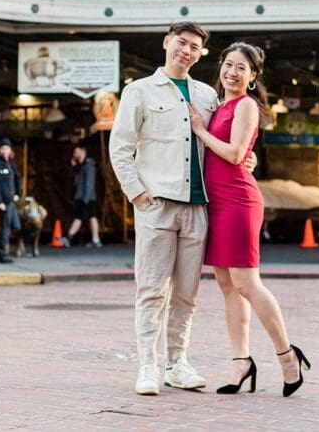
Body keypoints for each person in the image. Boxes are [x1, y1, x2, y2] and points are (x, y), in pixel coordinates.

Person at [111, 21, 259, 396]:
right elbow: (120, 148)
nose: (187, 51)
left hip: (198, 208)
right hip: (157, 205)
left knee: (187, 294)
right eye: (181, 43)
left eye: (194, 46)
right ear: (167, 43)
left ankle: (177, 363)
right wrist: (139, 196)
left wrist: (249, 157)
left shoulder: (208, 95)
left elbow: (225, 141)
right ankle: (148, 364)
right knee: (151, 289)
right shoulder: (139, 91)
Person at [188, 42, 310, 398]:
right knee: (227, 285)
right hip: (218, 202)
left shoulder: (246, 105)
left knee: (247, 283)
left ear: (253, 76)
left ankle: (288, 357)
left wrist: (202, 132)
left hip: (239, 201)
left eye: (241, 68)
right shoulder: (219, 104)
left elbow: (235, 153)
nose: (232, 72)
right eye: (228, 65)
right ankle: (241, 362)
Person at [59, 145, 102, 248]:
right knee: (92, 217)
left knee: (79, 217)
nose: (74, 155)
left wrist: (86, 198)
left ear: (82, 153)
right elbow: (72, 177)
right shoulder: (80, 166)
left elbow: (89, 183)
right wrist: (73, 166)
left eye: (76, 152)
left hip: (85, 197)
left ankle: (69, 237)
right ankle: (96, 240)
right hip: (82, 196)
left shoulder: (89, 165)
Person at [0, 138, 21, 264]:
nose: (5, 151)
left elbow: (17, 178)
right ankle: (0, 254)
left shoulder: (10, 163)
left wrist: (18, 193)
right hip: (4, 202)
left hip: (11, 200)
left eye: (7, 148)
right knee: (5, 228)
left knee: (16, 226)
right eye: (2, 149)